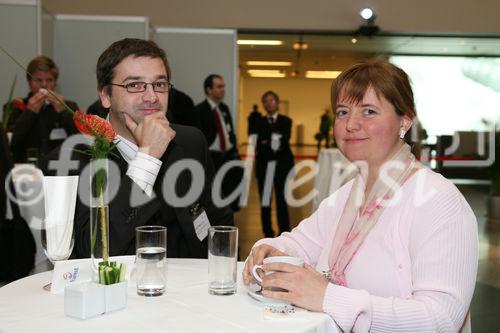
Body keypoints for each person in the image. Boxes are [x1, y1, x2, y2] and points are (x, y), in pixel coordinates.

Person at [243, 60, 478, 332]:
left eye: (369, 111)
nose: (351, 124)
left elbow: (441, 320)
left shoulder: (438, 201)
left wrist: (327, 297)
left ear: (404, 121)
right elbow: (301, 243)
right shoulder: (348, 195)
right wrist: (271, 251)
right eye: (342, 112)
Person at [43, 38, 233, 258]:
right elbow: (90, 252)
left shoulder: (191, 142)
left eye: (159, 84)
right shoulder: (70, 160)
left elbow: (219, 223)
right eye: (134, 85)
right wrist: (147, 158)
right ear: (105, 96)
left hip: (192, 282)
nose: (151, 97)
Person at [5, 56, 78, 163]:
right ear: (29, 82)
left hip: (60, 169)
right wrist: (29, 113)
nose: (44, 85)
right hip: (26, 170)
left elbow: (81, 139)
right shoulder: (14, 107)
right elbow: (10, 143)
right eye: (38, 80)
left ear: (55, 83)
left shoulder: (69, 107)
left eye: (49, 80)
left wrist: (63, 112)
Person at [193, 74, 242, 211]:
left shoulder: (224, 108)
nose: (223, 89)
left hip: (228, 157)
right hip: (213, 159)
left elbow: (230, 132)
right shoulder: (199, 110)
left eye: (223, 86)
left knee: (230, 197)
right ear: (209, 89)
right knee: (214, 198)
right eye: (219, 86)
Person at [254, 91, 294, 237]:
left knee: (282, 201)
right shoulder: (258, 122)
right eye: (265, 101)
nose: (269, 103)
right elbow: (258, 143)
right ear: (263, 104)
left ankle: (284, 232)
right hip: (264, 168)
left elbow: (283, 142)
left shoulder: (286, 121)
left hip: (282, 168)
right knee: (265, 203)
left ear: (277, 103)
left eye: (272, 100)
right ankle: (268, 233)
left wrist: (267, 141)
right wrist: (273, 140)